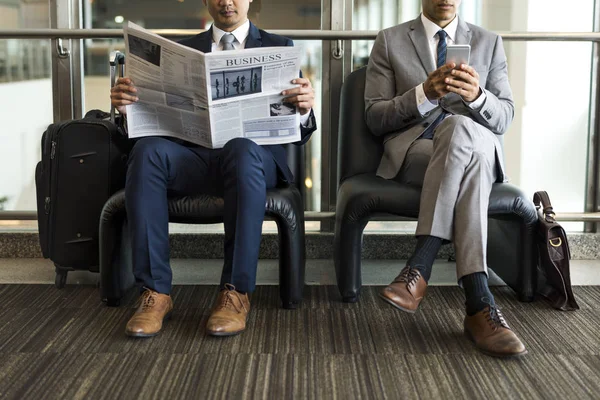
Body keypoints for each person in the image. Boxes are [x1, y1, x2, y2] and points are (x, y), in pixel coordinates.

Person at [110, 0, 316, 338]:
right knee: (148, 152)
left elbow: (301, 129)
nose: (227, 2)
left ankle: (234, 292)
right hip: (194, 157)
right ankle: (155, 293)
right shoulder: (181, 50)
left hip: (251, 160)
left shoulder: (280, 47)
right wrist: (124, 109)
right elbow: (142, 125)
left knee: (241, 147)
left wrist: (306, 109)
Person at [365, 0, 526, 358]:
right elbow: (374, 117)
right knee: (469, 155)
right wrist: (425, 93)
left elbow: (504, 117)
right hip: (418, 151)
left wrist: (478, 96)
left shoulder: (489, 41)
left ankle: (421, 263)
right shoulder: (390, 40)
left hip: (478, 145)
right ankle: (479, 302)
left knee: (461, 128)